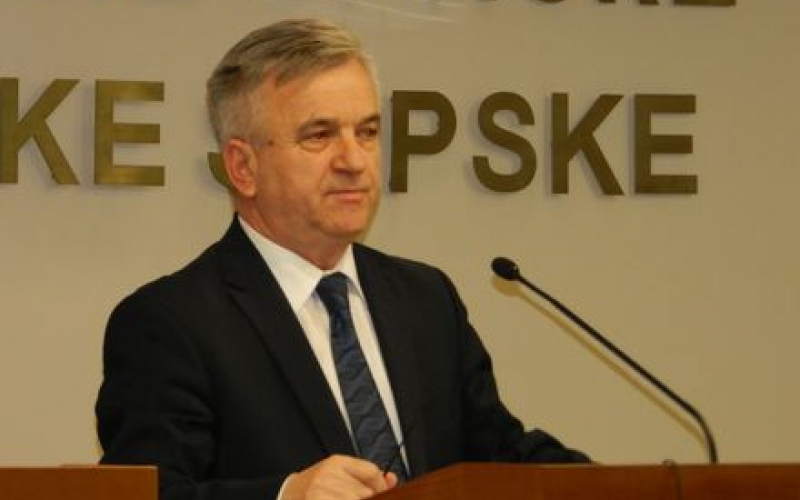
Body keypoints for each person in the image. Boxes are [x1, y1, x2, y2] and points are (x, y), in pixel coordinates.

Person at [95, 18, 589, 500]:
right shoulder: (170, 323)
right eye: (319, 135)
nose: (354, 161)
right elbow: (151, 492)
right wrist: (286, 495)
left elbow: (498, 457)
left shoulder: (425, 299)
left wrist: (615, 485)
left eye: (367, 132)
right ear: (243, 167)